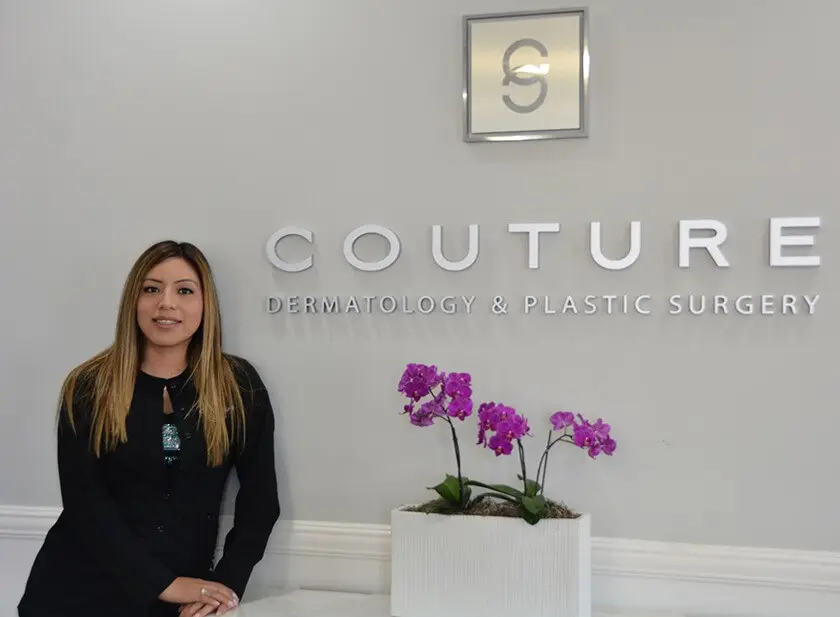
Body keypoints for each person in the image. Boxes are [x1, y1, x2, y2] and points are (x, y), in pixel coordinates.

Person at [17, 241, 281, 617]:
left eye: (184, 291)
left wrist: (225, 587)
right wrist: (162, 584)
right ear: (133, 301)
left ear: (206, 305)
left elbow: (261, 501)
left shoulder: (237, 385)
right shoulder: (89, 385)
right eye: (151, 289)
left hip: (186, 599)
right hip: (76, 593)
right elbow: (85, 503)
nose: (166, 303)